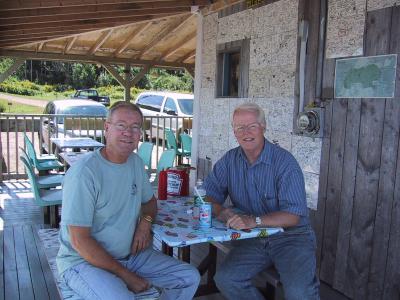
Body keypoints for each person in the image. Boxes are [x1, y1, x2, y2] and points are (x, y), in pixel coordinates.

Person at [56, 101, 200, 299]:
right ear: (107, 128)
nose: (128, 132)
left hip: (130, 257)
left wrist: (145, 224)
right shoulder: (84, 174)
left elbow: (149, 203)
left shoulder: (135, 163)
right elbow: (79, 241)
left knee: (189, 277)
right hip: (83, 262)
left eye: (135, 127)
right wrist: (126, 276)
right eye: (121, 125)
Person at [204, 102, 320, 300]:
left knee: (300, 294)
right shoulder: (229, 160)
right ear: (234, 131)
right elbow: (208, 196)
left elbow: (293, 217)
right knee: (226, 279)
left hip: (291, 237)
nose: (246, 132)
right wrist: (222, 211)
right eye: (240, 127)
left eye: (252, 126)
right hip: (254, 238)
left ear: (263, 127)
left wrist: (253, 221)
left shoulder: (284, 162)